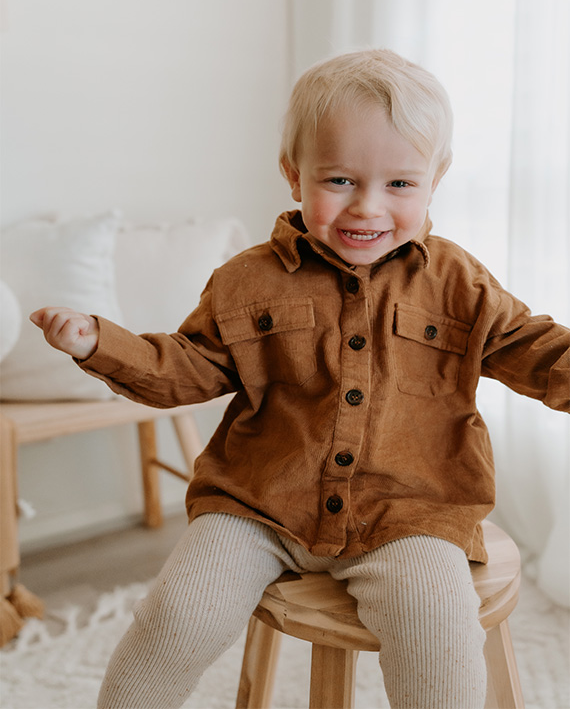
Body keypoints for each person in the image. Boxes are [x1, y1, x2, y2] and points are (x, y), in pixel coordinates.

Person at [31, 49, 569, 709]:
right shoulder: (246, 281)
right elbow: (184, 368)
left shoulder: (460, 282)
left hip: (411, 512)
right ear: (294, 175)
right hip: (259, 504)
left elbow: (537, 352)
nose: (366, 207)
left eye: (399, 184)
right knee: (176, 616)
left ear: (436, 178)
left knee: (440, 633)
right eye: (339, 180)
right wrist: (98, 343)